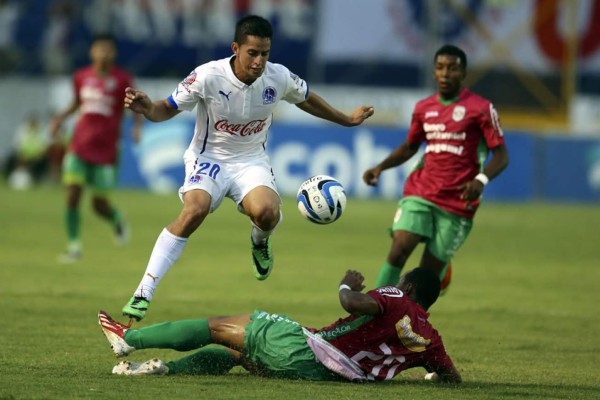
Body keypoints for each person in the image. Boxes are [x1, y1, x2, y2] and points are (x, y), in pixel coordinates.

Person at [120, 15, 374, 321]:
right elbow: (166, 108)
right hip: (209, 158)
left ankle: (259, 243)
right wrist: (148, 108)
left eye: (264, 53)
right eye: (252, 53)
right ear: (236, 48)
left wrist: (345, 119)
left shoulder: (278, 77)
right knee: (194, 210)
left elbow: (306, 99)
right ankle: (143, 291)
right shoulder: (207, 76)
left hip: (251, 161)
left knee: (268, 213)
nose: (258, 61)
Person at [98, 267, 461, 383]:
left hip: (310, 350)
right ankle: (164, 370)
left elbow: (351, 301)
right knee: (233, 352)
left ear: (409, 287)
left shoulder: (395, 296)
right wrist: (432, 375)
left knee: (219, 325)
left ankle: (128, 338)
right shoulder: (431, 340)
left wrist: (347, 283)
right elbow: (452, 377)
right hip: (326, 377)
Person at [363, 44, 509, 292]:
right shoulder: (424, 108)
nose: (445, 74)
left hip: (457, 200)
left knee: (426, 276)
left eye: (452, 68)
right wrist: (380, 167)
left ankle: (409, 317)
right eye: (440, 68)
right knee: (400, 248)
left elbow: (501, 156)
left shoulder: (481, 109)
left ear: (463, 73)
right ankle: (369, 313)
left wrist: (481, 180)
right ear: (433, 73)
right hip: (421, 191)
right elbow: (411, 147)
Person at [49, 33, 143, 262]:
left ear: (114, 53)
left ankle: (116, 218)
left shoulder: (122, 80)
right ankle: (74, 247)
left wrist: (137, 127)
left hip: (106, 151)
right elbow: (76, 104)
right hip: (78, 146)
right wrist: (59, 119)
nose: (104, 53)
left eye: (108, 49)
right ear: (92, 52)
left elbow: (137, 104)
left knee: (98, 205)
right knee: (72, 195)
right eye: (100, 49)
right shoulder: (81, 77)